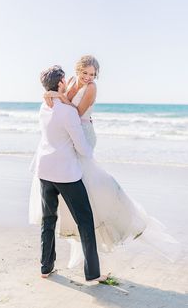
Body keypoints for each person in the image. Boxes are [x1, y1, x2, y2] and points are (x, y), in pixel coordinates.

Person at [30, 55, 179, 268]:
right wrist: (55, 95)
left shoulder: (91, 89)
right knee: (71, 178)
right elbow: (63, 108)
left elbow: (75, 112)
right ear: (77, 71)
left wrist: (56, 97)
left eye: (93, 74)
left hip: (82, 131)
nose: (89, 78)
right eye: (85, 73)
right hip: (68, 132)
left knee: (86, 181)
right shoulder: (70, 81)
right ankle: (77, 223)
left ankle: (102, 218)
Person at [32, 65, 107, 281]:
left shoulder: (43, 106)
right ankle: (93, 274)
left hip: (44, 171)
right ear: (61, 83)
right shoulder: (67, 112)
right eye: (66, 80)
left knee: (48, 219)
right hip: (66, 174)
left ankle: (45, 268)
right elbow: (83, 148)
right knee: (85, 220)